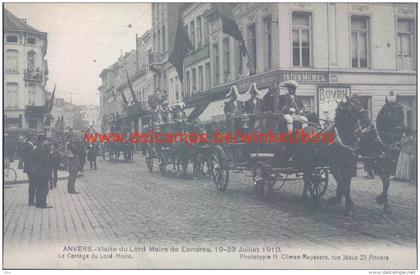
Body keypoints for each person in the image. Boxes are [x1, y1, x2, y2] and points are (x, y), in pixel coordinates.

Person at [33, 136, 53, 208]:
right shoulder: (44, 151)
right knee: (44, 188)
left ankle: (38, 203)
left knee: (39, 188)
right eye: (46, 141)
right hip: (43, 172)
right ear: (43, 141)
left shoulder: (37, 149)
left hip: (38, 172)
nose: (47, 142)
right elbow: (45, 162)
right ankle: (43, 204)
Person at [22, 134, 38, 206]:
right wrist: (34, 149)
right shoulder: (28, 146)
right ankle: (31, 201)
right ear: (31, 139)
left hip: (31, 167)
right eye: (34, 138)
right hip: (30, 167)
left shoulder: (28, 145)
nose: (36, 140)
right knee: (32, 184)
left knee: (33, 184)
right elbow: (28, 156)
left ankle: (31, 200)